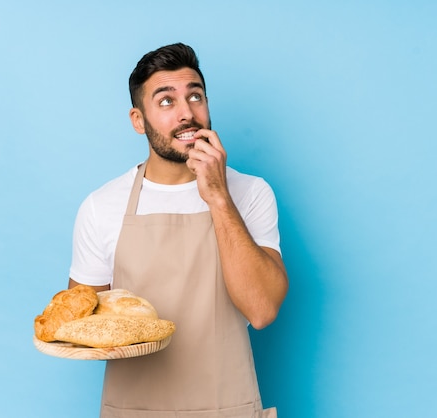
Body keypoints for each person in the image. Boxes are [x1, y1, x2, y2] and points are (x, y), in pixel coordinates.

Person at [67, 42, 288, 417]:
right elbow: (82, 327)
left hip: (227, 408)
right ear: (138, 120)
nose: (187, 113)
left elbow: (262, 310)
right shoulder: (101, 206)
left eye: (195, 96)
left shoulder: (250, 193)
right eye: (166, 101)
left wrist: (218, 197)